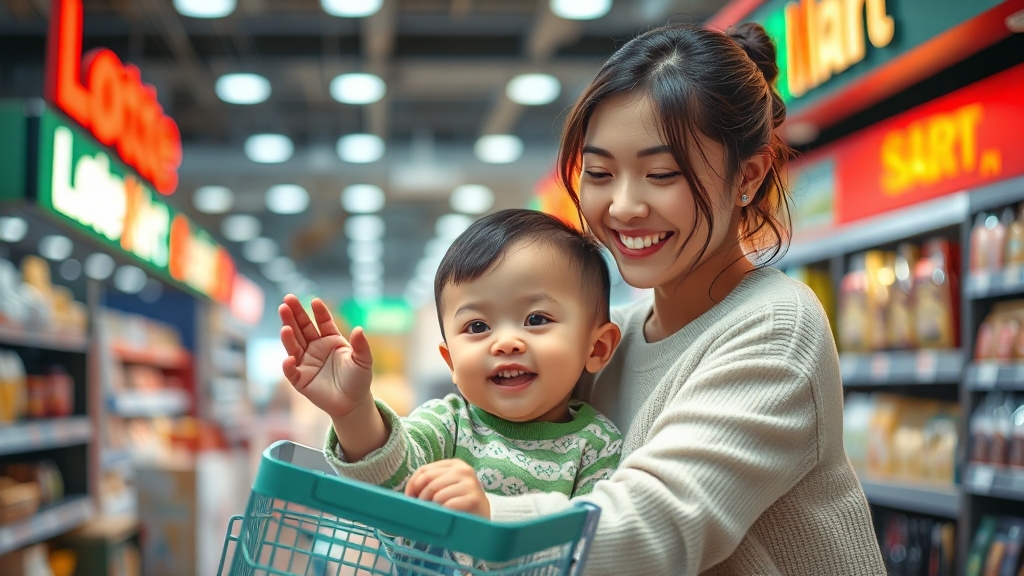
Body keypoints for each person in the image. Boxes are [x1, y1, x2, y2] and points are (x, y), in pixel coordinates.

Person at [470, 22, 887, 575]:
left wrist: (484, 517)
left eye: (661, 173)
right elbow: (480, 437)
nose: (623, 206)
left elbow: (656, 525)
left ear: (749, 176)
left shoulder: (775, 329)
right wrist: (359, 423)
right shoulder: (606, 340)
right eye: (599, 172)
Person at [277, 209, 624, 519]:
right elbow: (391, 478)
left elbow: (593, 544)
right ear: (451, 362)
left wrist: (491, 515)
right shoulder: (448, 425)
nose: (504, 343)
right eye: (477, 327)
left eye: (536, 319)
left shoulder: (596, 445)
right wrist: (352, 410)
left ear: (597, 347)